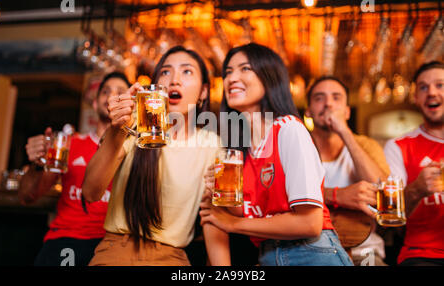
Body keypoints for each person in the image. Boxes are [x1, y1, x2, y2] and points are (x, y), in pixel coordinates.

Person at [199, 43, 353, 266]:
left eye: (245, 69)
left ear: (269, 77)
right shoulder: (239, 152)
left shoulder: (289, 129)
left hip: (312, 253)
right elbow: (248, 212)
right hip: (269, 255)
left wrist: (232, 224)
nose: (232, 78)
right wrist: (222, 197)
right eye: (228, 72)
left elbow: (309, 223)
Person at [81, 46, 220, 266]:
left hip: (172, 258)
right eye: (165, 72)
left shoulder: (212, 145)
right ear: (156, 87)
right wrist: (117, 130)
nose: (174, 80)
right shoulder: (134, 124)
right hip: (116, 252)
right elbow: (90, 192)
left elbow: (214, 218)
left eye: (187, 72)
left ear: (203, 91)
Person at [18, 71, 131, 266]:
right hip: (66, 238)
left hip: (112, 244)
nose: (112, 96)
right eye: (105, 92)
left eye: (120, 92)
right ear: (95, 104)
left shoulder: (136, 149)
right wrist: (38, 164)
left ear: (130, 104)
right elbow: (28, 196)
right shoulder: (69, 145)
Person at [305, 76, 390, 266]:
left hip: (364, 252)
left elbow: (385, 195)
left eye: (336, 98)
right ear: (309, 111)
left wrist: (345, 132)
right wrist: (336, 195)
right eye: (319, 98)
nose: (328, 104)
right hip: (309, 252)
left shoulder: (366, 145)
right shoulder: (298, 146)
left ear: (347, 112)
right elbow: (279, 196)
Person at [384, 61, 444, 266]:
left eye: (440, 85)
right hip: (422, 254)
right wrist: (417, 189)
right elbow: (391, 219)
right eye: (423, 87)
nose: (432, 93)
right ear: (416, 98)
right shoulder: (398, 146)